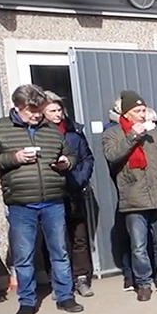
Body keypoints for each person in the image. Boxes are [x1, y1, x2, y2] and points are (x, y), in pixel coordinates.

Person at [0, 84, 83, 314]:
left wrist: (65, 163)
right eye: (32, 110)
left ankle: (65, 296)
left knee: (59, 251)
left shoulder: (50, 129)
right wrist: (13, 157)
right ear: (17, 107)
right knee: (24, 255)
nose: (37, 114)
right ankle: (27, 301)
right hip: (21, 203)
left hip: (53, 200)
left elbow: (71, 154)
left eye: (39, 109)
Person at [103, 90, 157, 301]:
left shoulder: (155, 134)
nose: (142, 115)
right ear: (127, 113)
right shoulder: (112, 134)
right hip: (134, 197)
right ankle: (143, 283)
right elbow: (113, 156)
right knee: (139, 246)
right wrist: (133, 135)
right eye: (138, 111)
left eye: (143, 110)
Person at [42, 90, 96, 297]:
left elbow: (87, 158)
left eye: (59, 109)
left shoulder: (74, 132)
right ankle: (59, 283)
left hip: (74, 191)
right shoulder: (40, 133)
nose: (58, 114)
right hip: (51, 193)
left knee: (79, 238)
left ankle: (81, 278)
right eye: (52, 110)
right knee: (55, 241)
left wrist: (80, 179)